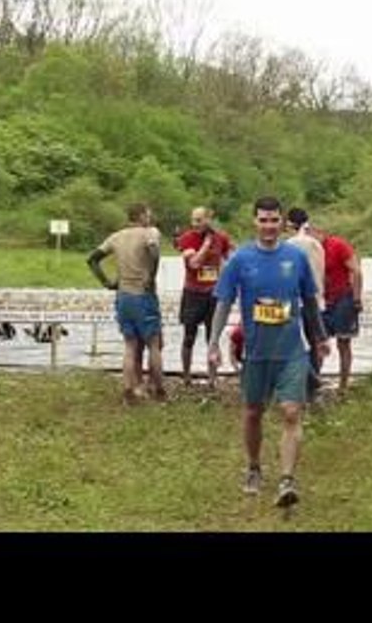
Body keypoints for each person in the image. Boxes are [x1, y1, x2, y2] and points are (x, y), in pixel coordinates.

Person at [208, 196, 329, 508]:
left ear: (282, 222)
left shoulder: (296, 257)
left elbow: (310, 301)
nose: (269, 226)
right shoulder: (240, 259)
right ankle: (253, 467)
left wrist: (320, 336)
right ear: (254, 222)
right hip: (257, 353)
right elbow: (223, 302)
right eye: (263, 220)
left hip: (291, 352)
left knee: (291, 411)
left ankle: (287, 480)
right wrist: (212, 344)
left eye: (274, 220)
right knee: (252, 413)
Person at [87, 203, 165, 404]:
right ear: (141, 216)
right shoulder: (150, 232)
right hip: (143, 295)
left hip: (123, 296)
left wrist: (106, 282)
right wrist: (151, 275)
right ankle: (158, 390)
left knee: (130, 346)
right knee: (154, 344)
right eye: (148, 214)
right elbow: (155, 252)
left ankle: (129, 390)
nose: (151, 218)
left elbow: (92, 259)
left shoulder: (116, 237)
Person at [176, 207, 234, 387]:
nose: (196, 224)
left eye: (200, 220)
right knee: (189, 336)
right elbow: (193, 263)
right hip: (193, 292)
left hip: (213, 293)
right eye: (193, 220)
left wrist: (226, 277)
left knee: (212, 336)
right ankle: (186, 376)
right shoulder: (187, 238)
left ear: (209, 219)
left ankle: (212, 378)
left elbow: (231, 258)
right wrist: (206, 245)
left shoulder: (221, 237)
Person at [304, 223, 362, 392]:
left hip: (343, 297)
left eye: (314, 232)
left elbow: (357, 271)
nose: (312, 237)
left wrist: (356, 299)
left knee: (343, 342)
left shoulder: (337, 245)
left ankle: (343, 385)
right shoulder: (310, 251)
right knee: (317, 340)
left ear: (322, 232)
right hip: (323, 300)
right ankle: (314, 382)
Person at [285, 207, 326, 399]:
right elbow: (321, 274)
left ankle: (304, 382)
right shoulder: (317, 245)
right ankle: (313, 385)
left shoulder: (289, 245)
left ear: (291, 223)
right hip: (316, 300)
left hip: (296, 301)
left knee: (293, 344)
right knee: (315, 341)